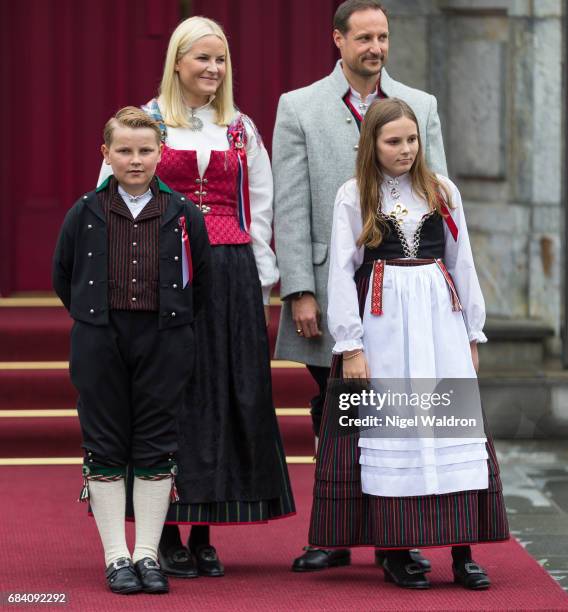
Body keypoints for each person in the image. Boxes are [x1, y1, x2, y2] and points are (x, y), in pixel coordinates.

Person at [99, 16, 295, 579]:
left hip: (230, 273)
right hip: (166, 273)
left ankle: (205, 529)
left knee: (227, 391)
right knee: (173, 394)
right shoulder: (149, 123)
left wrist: (261, 276)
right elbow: (109, 196)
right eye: (203, 59)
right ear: (177, 63)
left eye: (221, 60)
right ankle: (166, 535)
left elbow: (259, 203)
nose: (213, 69)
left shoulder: (240, 127)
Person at [272, 0, 446, 572]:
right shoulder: (298, 107)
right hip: (329, 287)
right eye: (364, 37)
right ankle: (336, 529)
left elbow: (438, 202)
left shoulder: (420, 106)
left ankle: (400, 529)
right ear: (338, 40)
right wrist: (300, 288)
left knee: (395, 409)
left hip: (405, 293)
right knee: (338, 406)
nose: (376, 47)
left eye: (383, 37)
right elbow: (291, 205)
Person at [309, 97, 509, 589]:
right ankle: (395, 550)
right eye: (393, 141)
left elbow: (463, 263)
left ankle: (463, 552)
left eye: (411, 140)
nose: (404, 149)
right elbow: (340, 272)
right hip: (385, 328)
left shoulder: (441, 191)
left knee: (451, 427)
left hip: (440, 324)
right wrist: (350, 344)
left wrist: (471, 332)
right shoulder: (355, 195)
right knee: (393, 431)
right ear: (372, 145)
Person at [53, 107, 211, 594]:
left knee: (155, 442)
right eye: (124, 150)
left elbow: (200, 280)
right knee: (104, 442)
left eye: (145, 151)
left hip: (165, 340)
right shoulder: (84, 211)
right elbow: (65, 275)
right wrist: (95, 318)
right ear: (106, 154)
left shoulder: (184, 213)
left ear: (161, 154)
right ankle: (116, 557)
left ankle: (147, 554)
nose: (135, 160)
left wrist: (173, 324)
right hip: (100, 338)